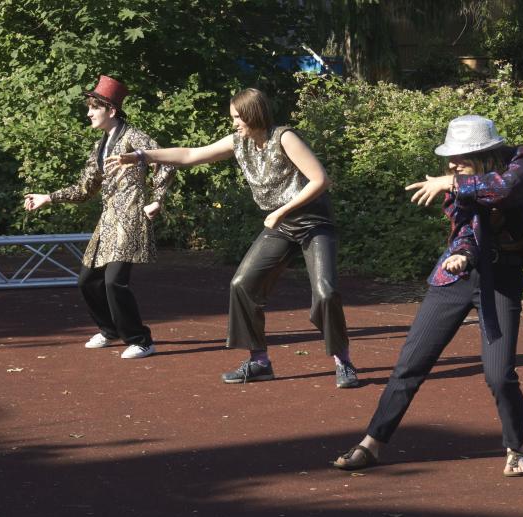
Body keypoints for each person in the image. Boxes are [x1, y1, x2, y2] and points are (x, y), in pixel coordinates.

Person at [332, 115, 523, 476]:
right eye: (450, 160)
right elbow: (463, 227)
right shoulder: (457, 184)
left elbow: (505, 189)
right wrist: (463, 253)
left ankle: (516, 448)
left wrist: (452, 182)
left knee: (499, 375)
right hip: (456, 277)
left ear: (483, 154)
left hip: (502, 278)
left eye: (459, 158)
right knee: (410, 365)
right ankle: (372, 444)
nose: (450, 166)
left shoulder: (521, 159)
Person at [105, 88, 358, 388]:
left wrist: (281, 212)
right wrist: (141, 156)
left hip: (313, 222)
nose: (234, 123)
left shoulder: (284, 137)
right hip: (280, 225)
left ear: (253, 114)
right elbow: (190, 155)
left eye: (238, 117)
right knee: (242, 285)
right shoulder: (239, 142)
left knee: (326, 293)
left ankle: (343, 361)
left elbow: (320, 180)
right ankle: (259, 362)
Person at [24, 75, 176, 360]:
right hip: (107, 222)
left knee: (113, 281)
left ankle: (141, 340)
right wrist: (48, 197)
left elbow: (165, 162)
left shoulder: (134, 137)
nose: (89, 113)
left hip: (131, 218)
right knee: (87, 281)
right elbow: (84, 189)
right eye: (89, 108)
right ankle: (110, 330)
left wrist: (157, 199)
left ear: (112, 110)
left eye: (95, 108)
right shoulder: (100, 147)